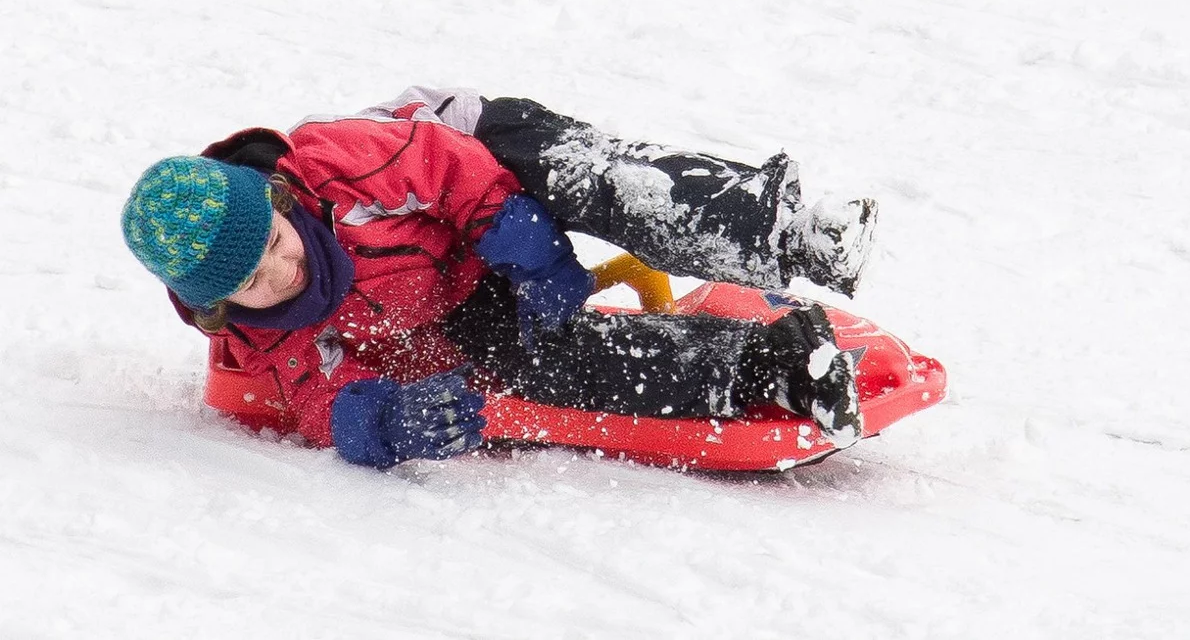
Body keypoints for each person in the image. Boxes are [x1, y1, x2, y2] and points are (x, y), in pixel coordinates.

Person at [120, 87, 877, 469]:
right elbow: (320, 397)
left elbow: (454, 172)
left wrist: (537, 254)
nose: (282, 269)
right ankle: (776, 361)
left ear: (280, 200)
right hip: (455, 287)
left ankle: (786, 230)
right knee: (537, 363)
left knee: (590, 181)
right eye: (253, 281)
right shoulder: (264, 333)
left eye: (277, 242)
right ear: (220, 307)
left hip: (476, 150)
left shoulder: (337, 164)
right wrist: (382, 422)